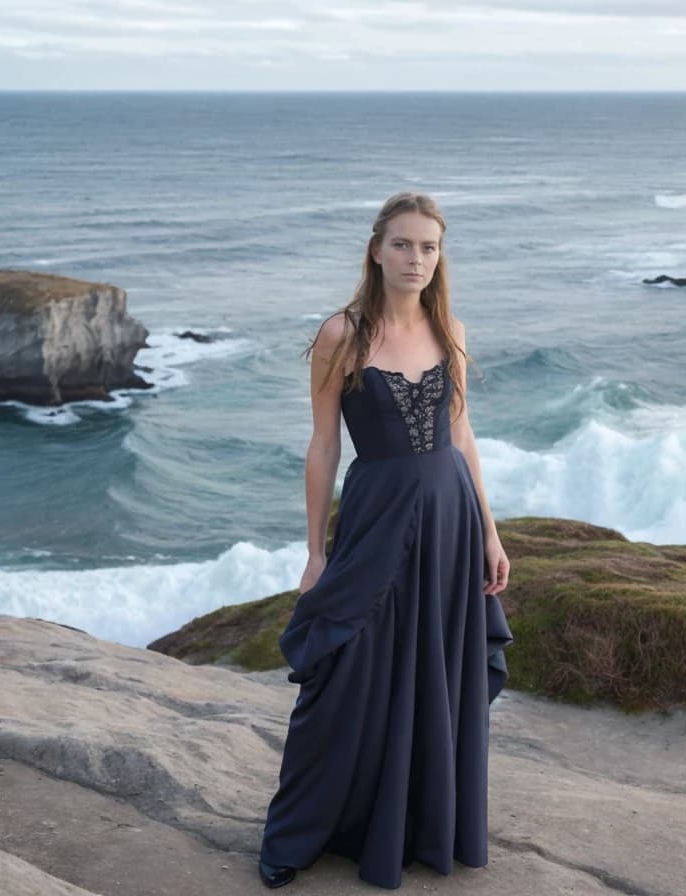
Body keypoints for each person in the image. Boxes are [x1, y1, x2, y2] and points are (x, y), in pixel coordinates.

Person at [258, 191, 513, 890]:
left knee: (434, 672)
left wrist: (490, 534)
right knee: (346, 669)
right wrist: (315, 552)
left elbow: (461, 436)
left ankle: (415, 825)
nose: (416, 259)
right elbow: (321, 445)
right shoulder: (342, 334)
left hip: (451, 523)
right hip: (375, 519)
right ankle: (301, 832)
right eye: (402, 244)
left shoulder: (450, 329)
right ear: (376, 249)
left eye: (429, 247)